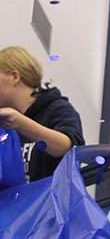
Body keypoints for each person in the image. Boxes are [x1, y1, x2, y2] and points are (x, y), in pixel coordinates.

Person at [0, 46, 84, 181]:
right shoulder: (4, 125)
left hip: (47, 199)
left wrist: (21, 124)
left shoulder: (56, 108)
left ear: (15, 77)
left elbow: (67, 147)